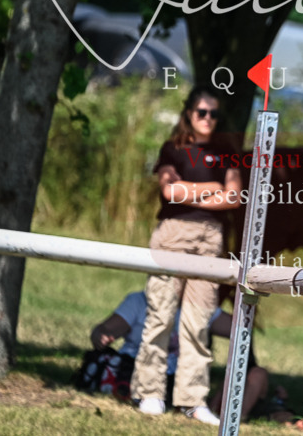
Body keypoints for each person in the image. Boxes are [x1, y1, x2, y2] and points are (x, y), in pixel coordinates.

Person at [130, 85, 243, 425]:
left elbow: (234, 197)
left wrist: (188, 194)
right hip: (173, 234)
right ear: (189, 114)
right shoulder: (172, 148)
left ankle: (192, 400)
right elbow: (168, 189)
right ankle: (149, 392)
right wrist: (210, 189)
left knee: (198, 324)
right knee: (161, 315)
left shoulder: (228, 153)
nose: (208, 119)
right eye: (202, 112)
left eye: (214, 114)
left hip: (211, 240)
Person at [88, 290, 274, 420]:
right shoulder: (139, 302)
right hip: (135, 373)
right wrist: (101, 335)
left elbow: (241, 328)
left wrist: (245, 296)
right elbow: (104, 331)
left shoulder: (197, 308)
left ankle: (229, 420)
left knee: (258, 375)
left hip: (179, 380)